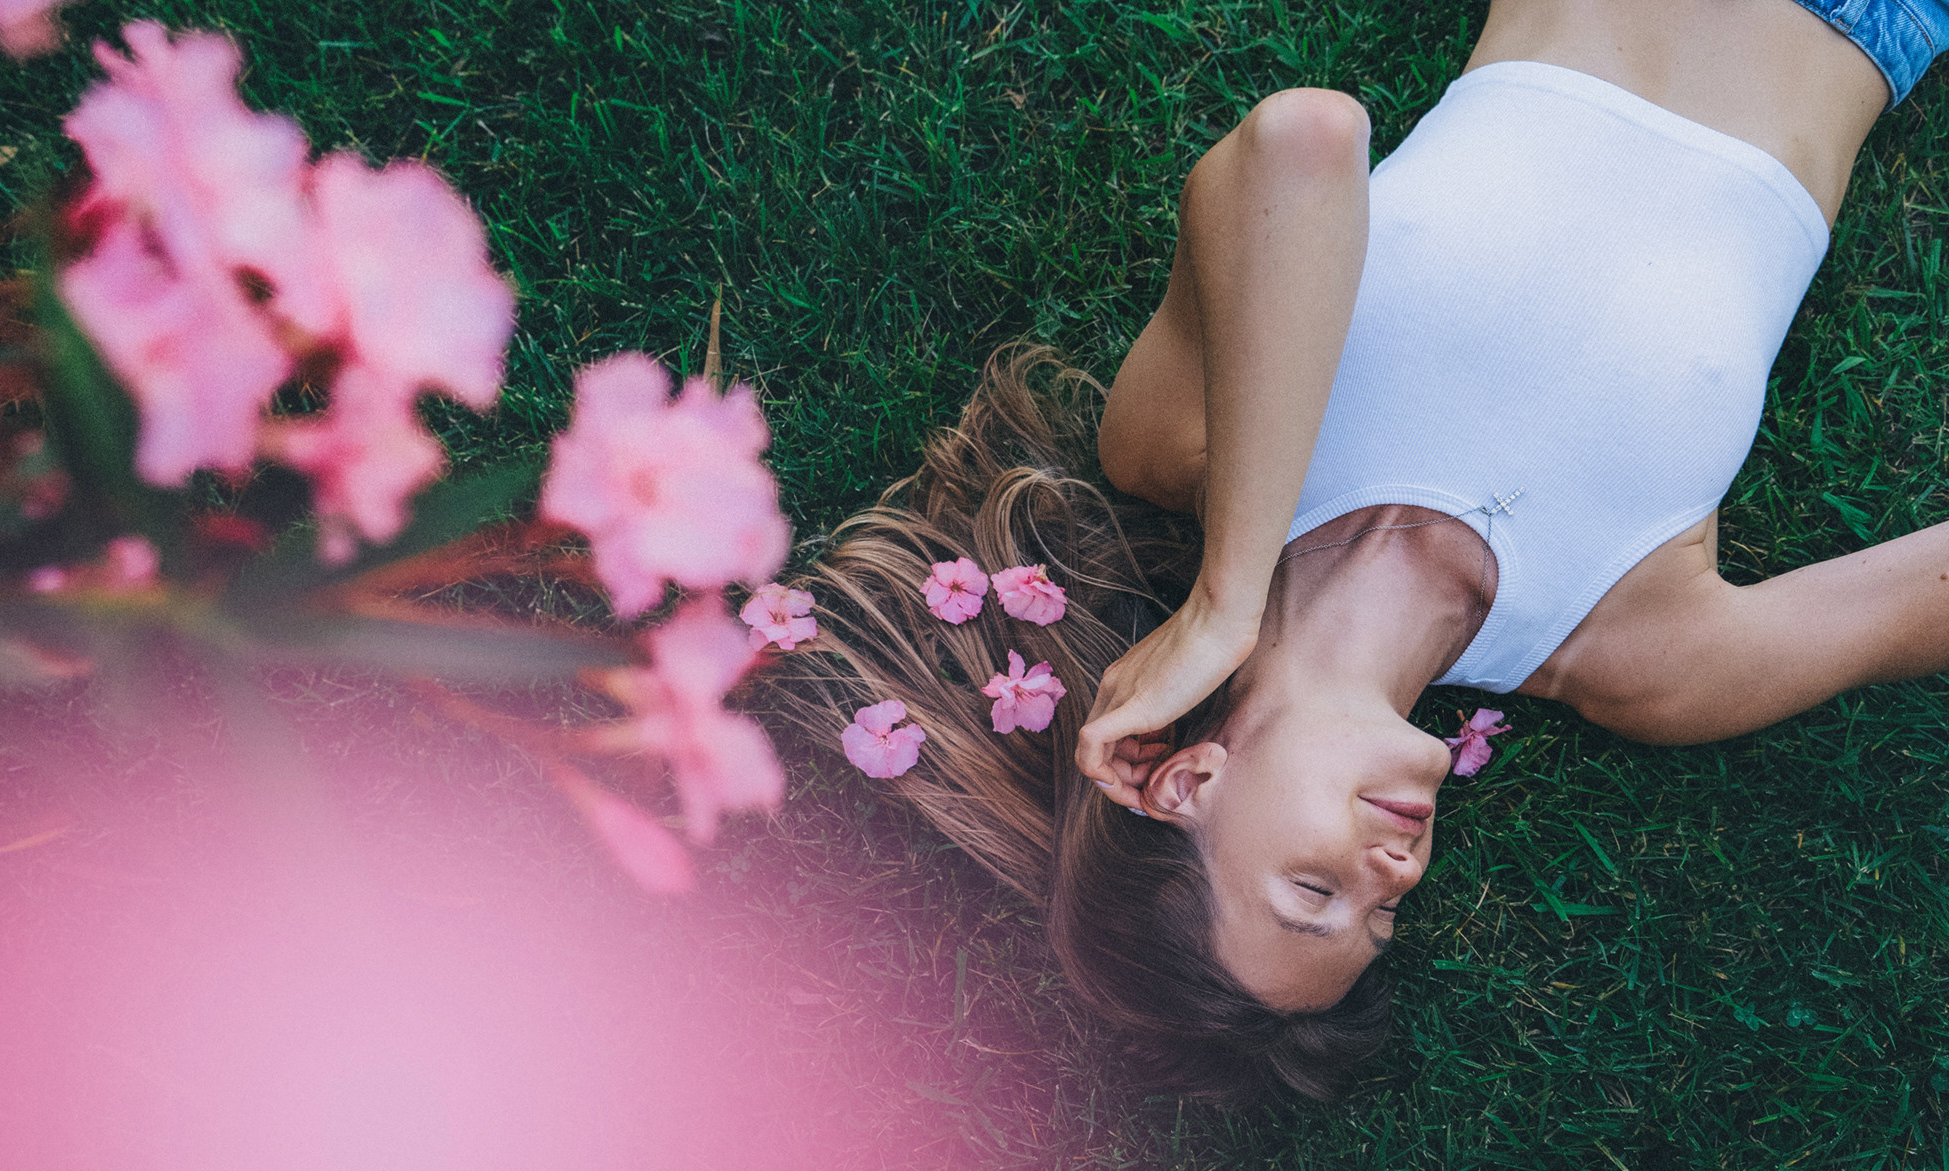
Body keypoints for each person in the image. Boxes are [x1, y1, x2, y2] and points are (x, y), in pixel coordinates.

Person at [765, 0, 1949, 1101]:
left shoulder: (1181, 449)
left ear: (1188, 784)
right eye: (1376, 920)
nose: (1391, 881)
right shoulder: (1638, 653)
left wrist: (1229, 599)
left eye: (1310, 891)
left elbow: (1305, 141)